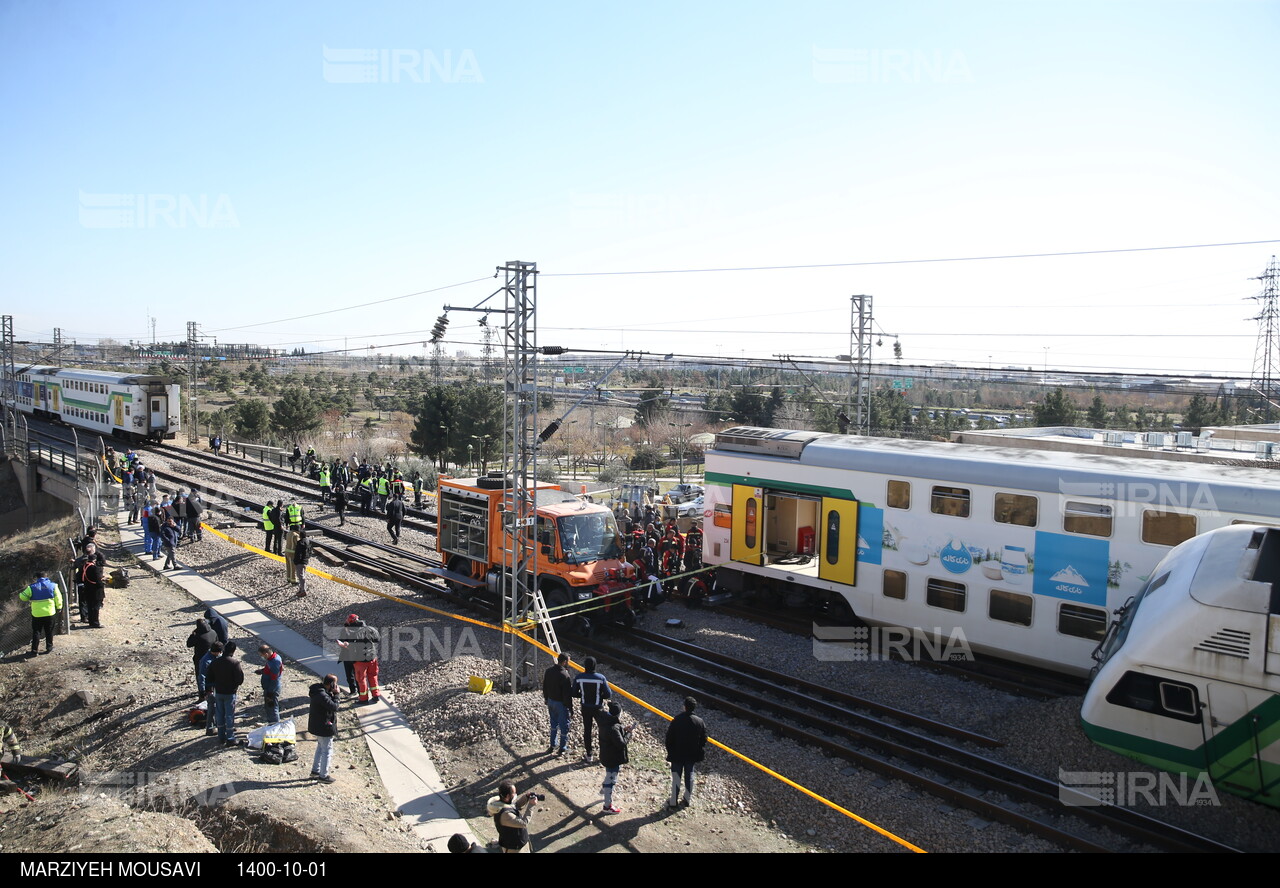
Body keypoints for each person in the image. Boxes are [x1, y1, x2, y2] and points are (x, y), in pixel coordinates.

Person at [665, 695, 708, 809]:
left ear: (684, 707)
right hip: (691, 755)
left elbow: (669, 739)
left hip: (677, 755)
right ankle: (687, 799)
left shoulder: (677, 720)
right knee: (689, 777)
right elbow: (704, 739)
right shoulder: (699, 722)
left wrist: (670, 751)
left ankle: (673, 801)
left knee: (676, 778)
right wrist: (698, 749)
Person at [596, 701, 633, 814]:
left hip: (606, 755)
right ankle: (607, 806)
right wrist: (629, 734)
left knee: (609, 775)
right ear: (618, 714)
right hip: (613, 758)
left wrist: (623, 729)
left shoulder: (604, 721)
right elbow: (621, 743)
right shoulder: (614, 727)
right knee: (611, 780)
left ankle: (604, 789)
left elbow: (614, 735)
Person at [572, 656, 612, 762]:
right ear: (595, 665)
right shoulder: (601, 678)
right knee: (602, 729)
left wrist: (583, 695)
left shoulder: (579, 677)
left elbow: (573, 693)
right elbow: (608, 694)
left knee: (587, 730)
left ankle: (589, 754)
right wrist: (599, 695)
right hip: (598, 707)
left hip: (585, 707)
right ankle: (604, 753)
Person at [485, 780, 539, 853]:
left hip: (519, 844)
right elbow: (523, 823)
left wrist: (526, 797)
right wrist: (531, 805)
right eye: (514, 793)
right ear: (507, 796)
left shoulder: (502, 803)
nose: (515, 794)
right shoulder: (505, 814)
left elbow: (515, 806)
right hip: (514, 849)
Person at [208, 640, 244, 746]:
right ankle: (230, 738)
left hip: (218, 692)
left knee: (219, 714)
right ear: (233, 651)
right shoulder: (235, 663)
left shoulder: (215, 662)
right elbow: (240, 680)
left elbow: (209, 677)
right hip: (230, 693)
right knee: (229, 715)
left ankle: (221, 736)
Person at [339, 614, 381, 703]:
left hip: (360, 660)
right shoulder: (370, 629)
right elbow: (377, 639)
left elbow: (351, 647)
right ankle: (376, 695)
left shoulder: (353, 633)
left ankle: (363, 699)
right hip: (372, 658)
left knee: (361, 679)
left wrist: (345, 645)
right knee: (373, 676)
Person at [19, 572, 63, 656]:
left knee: (36, 632)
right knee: (49, 631)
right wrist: (59, 607)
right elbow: (58, 598)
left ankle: (34, 651)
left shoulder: (31, 587)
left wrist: (30, 597)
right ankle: (49, 648)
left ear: (37, 578)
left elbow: (22, 597)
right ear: (46, 577)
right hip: (50, 613)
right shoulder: (53, 585)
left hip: (37, 614)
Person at [307, 673, 340, 784]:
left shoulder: (317, 691)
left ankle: (315, 771)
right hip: (324, 727)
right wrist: (336, 695)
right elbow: (334, 707)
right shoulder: (322, 695)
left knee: (320, 748)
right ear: (331, 684)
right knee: (327, 750)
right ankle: (323, 775)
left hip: (317, 725)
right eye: (335, 684)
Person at [542, 652, 573, 756]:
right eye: (568, 661)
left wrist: (546, 698)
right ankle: (562, 748)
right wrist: (570, 708)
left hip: (550, 701)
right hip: (561, 704)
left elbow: (545, 686)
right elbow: (567, 695)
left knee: (553, 724)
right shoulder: (565, 675)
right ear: (564, 662)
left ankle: (552, 745)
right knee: (564, 726)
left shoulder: (549, 671)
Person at [187, 619, 217, 701]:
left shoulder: (198, 636)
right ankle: (211, 691)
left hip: (200, 659)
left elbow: (188, 644)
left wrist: (193, 634)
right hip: (212, 657)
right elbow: (217, 642)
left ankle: (202, 695)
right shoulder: (213, 632)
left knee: (200, 676)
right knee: (211, 675)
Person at [199, 641, 223, 736]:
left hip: (219, 686)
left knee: (219, 707)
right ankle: (210, 728)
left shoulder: (217, 657)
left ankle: (220, 725)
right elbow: (202, 676)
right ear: (217, 651)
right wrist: (202, 690)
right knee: (212, 708)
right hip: (211, 688)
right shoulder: (206, 661)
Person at [256, 644, 284, 724]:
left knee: (272, 707)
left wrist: (270, 692)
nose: (262, 657)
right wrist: (262, 671)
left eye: (262, 655)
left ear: (266, 654)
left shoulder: (275, 662)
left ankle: (274, 724)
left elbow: (274, 679)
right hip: (269, 688)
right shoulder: (272, 659)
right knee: (269, 707)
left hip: (272, 689)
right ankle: (271, 723)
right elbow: (269, 670)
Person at [79, 554, 105, 629]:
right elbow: (97, 580)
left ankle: (91, 621)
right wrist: (102, 584)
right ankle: (95, 622)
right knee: (96, 607)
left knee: (90, 606)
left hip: (87, 588)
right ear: (94, 560)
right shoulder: (94, 568)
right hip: (95, 590)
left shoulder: (84, 566)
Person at [293, 527, 311, 597]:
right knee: (302, 575)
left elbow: (298, 554)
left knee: (300, 576)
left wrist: (296, 561)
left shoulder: (300, 543)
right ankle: (301, 589)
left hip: (300, 562)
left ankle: (303, 590)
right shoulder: (308, 541)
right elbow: (310, 552)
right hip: (305, 561)